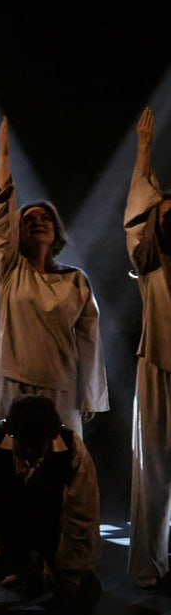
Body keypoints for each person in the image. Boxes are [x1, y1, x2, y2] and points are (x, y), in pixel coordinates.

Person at [0, 116, 108, 432]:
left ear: (56, 231)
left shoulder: (75, 280)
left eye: (45, 218)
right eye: (28, 220)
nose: (37, 222)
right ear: (19, 232)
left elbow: (89, 338)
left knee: (61, 456)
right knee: (11, 454)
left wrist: (90, 392)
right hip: (12, 381)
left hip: (61, 385)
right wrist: (4, 157)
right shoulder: (11, 270)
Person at [0, 395, 102, 611]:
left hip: (52, 536)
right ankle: (23, 567)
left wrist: (72, 573)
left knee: (85, 596)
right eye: (25, 443)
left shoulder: (72, 448)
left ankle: (45, 571)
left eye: (37, 444)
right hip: (5, 535)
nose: (30, 451)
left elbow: (83, 514)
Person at [124, 106, 171, 590]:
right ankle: (149, 563)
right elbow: (137, 224)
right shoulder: (151, 264)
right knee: (152, 467)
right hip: (157, 363)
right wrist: (142, 153)